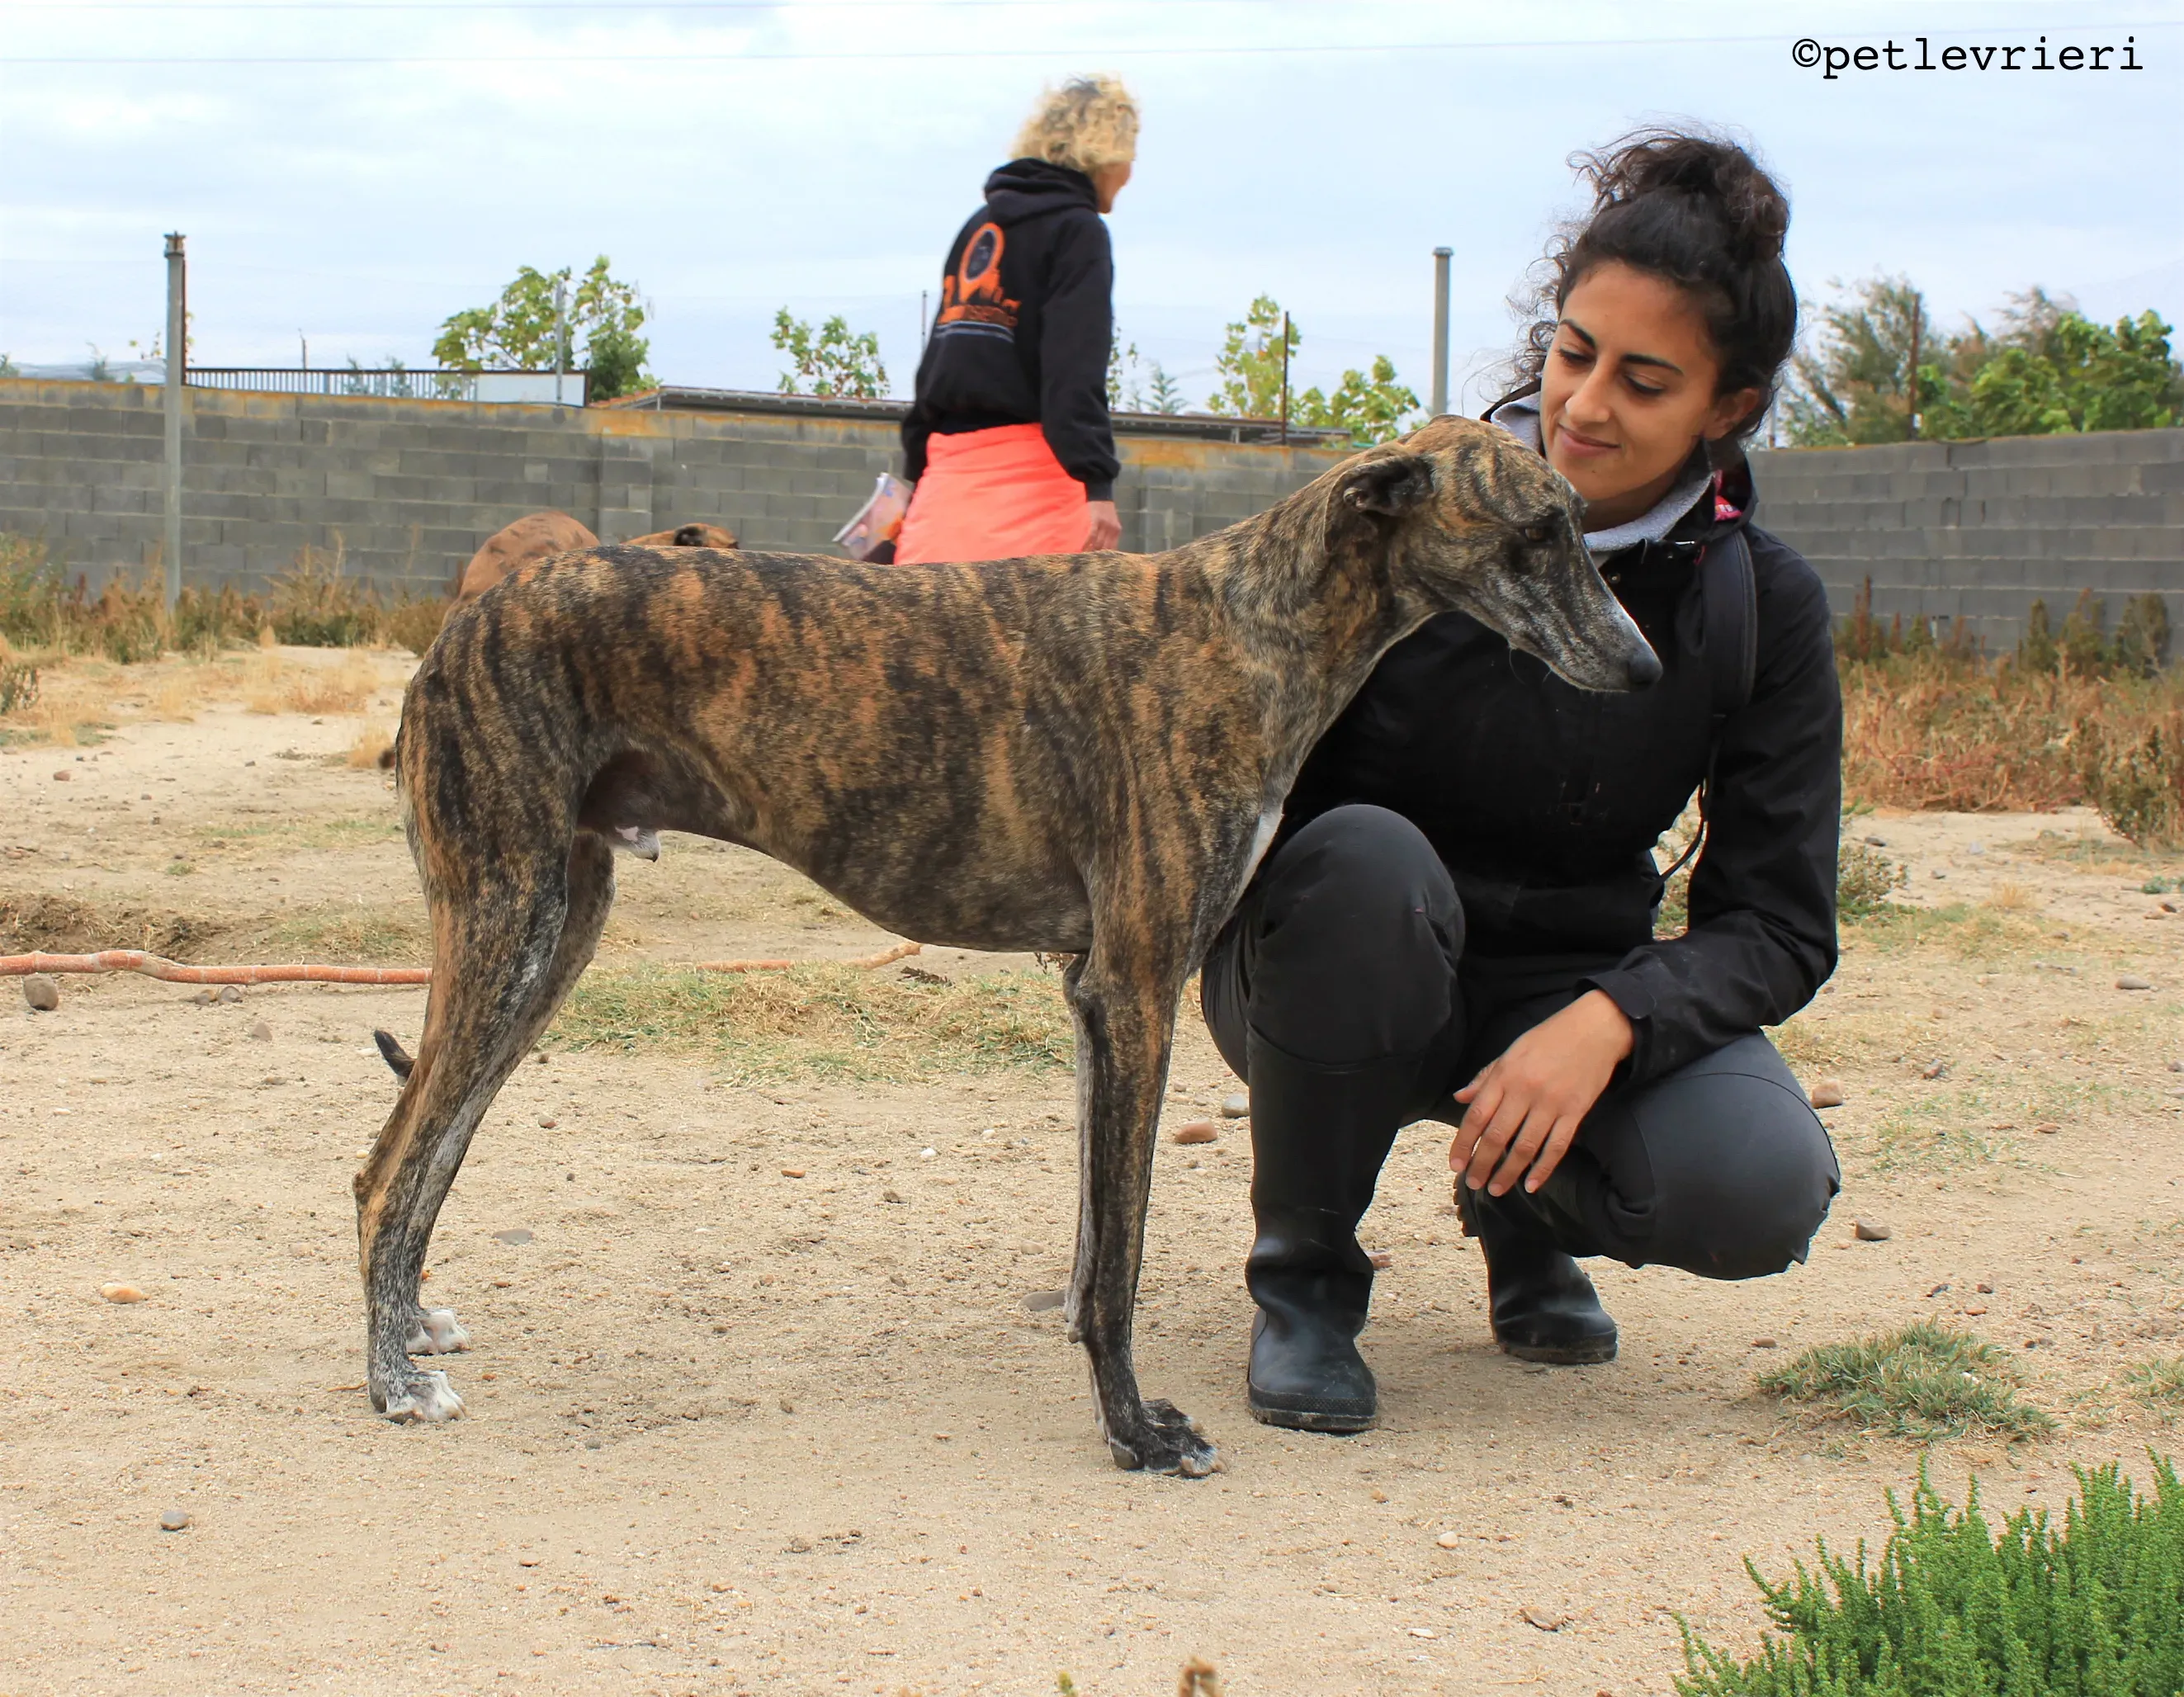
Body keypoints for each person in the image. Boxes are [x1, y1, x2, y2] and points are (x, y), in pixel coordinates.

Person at [1201, 129, 1844, 1434]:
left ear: (1726, 409)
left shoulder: (1756, 603)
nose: (1584, 405)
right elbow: (1226, 776)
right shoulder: (1382, 521)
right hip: (1330, 959)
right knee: (1369, 861)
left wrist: (1607, 1023)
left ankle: (1517, 1202)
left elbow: (1777, 924)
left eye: (1645, 381)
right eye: (1570, 351)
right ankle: (1306, 1281)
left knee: (1753, 1186)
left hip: (1561, 988)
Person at [895, 76, 1135, 564]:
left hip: (944, 496)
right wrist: (1098, 484)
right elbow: (1073, 367)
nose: (1130, 170)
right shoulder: (1078, 232)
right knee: (1045, 640)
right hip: (1035, 489)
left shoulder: (978, 226)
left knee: (927, 638)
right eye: (1128, 153)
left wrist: (914, 477)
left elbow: (940, 361)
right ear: (1105, 154)